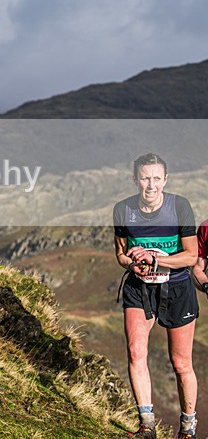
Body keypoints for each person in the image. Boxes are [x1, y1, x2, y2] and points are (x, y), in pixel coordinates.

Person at [113, 153, 199, 439]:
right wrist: (134, 260)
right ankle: (146, 427)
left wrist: (157, 260)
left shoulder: (180, 207)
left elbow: (191, 256)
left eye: (156, 178)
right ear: (135, 179)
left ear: (166, 180)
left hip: (177, 287)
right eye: (145, 178)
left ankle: (187, 429)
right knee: (137, 352)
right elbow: (121, 255)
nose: (151, 185)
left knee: (181, 363)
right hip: (139, 288)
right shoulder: (122, 209)